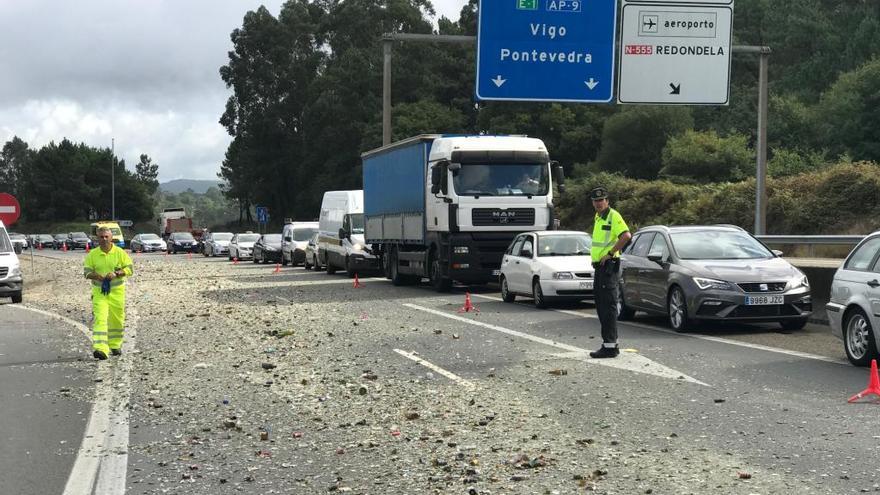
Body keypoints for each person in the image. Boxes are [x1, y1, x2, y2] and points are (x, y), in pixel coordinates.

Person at [588, 186, 631, 359]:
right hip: (600, 267)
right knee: (601, 305)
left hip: (609, 266)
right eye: (596, 201)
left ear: (607, 201)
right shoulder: (598, 216)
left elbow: (626, 236)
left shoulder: (613, 215)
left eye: (601, 200)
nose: (599, 203)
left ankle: (610, 346)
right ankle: (610, 343)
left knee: (608, 306)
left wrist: (611, 253)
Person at [83, 226, 133, 360]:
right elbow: (86, 273)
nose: (104, 239)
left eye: (106, 237)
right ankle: (101, 349)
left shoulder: (120, 253)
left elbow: (129, 269)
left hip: (117, 293)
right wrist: (97, 276)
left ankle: (115, 345)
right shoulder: (92, 254)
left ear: (111, 237)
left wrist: (116, 273)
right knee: (101, 318)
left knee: (116, 320)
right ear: (97, 238)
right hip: (100, 293)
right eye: (101, 237)